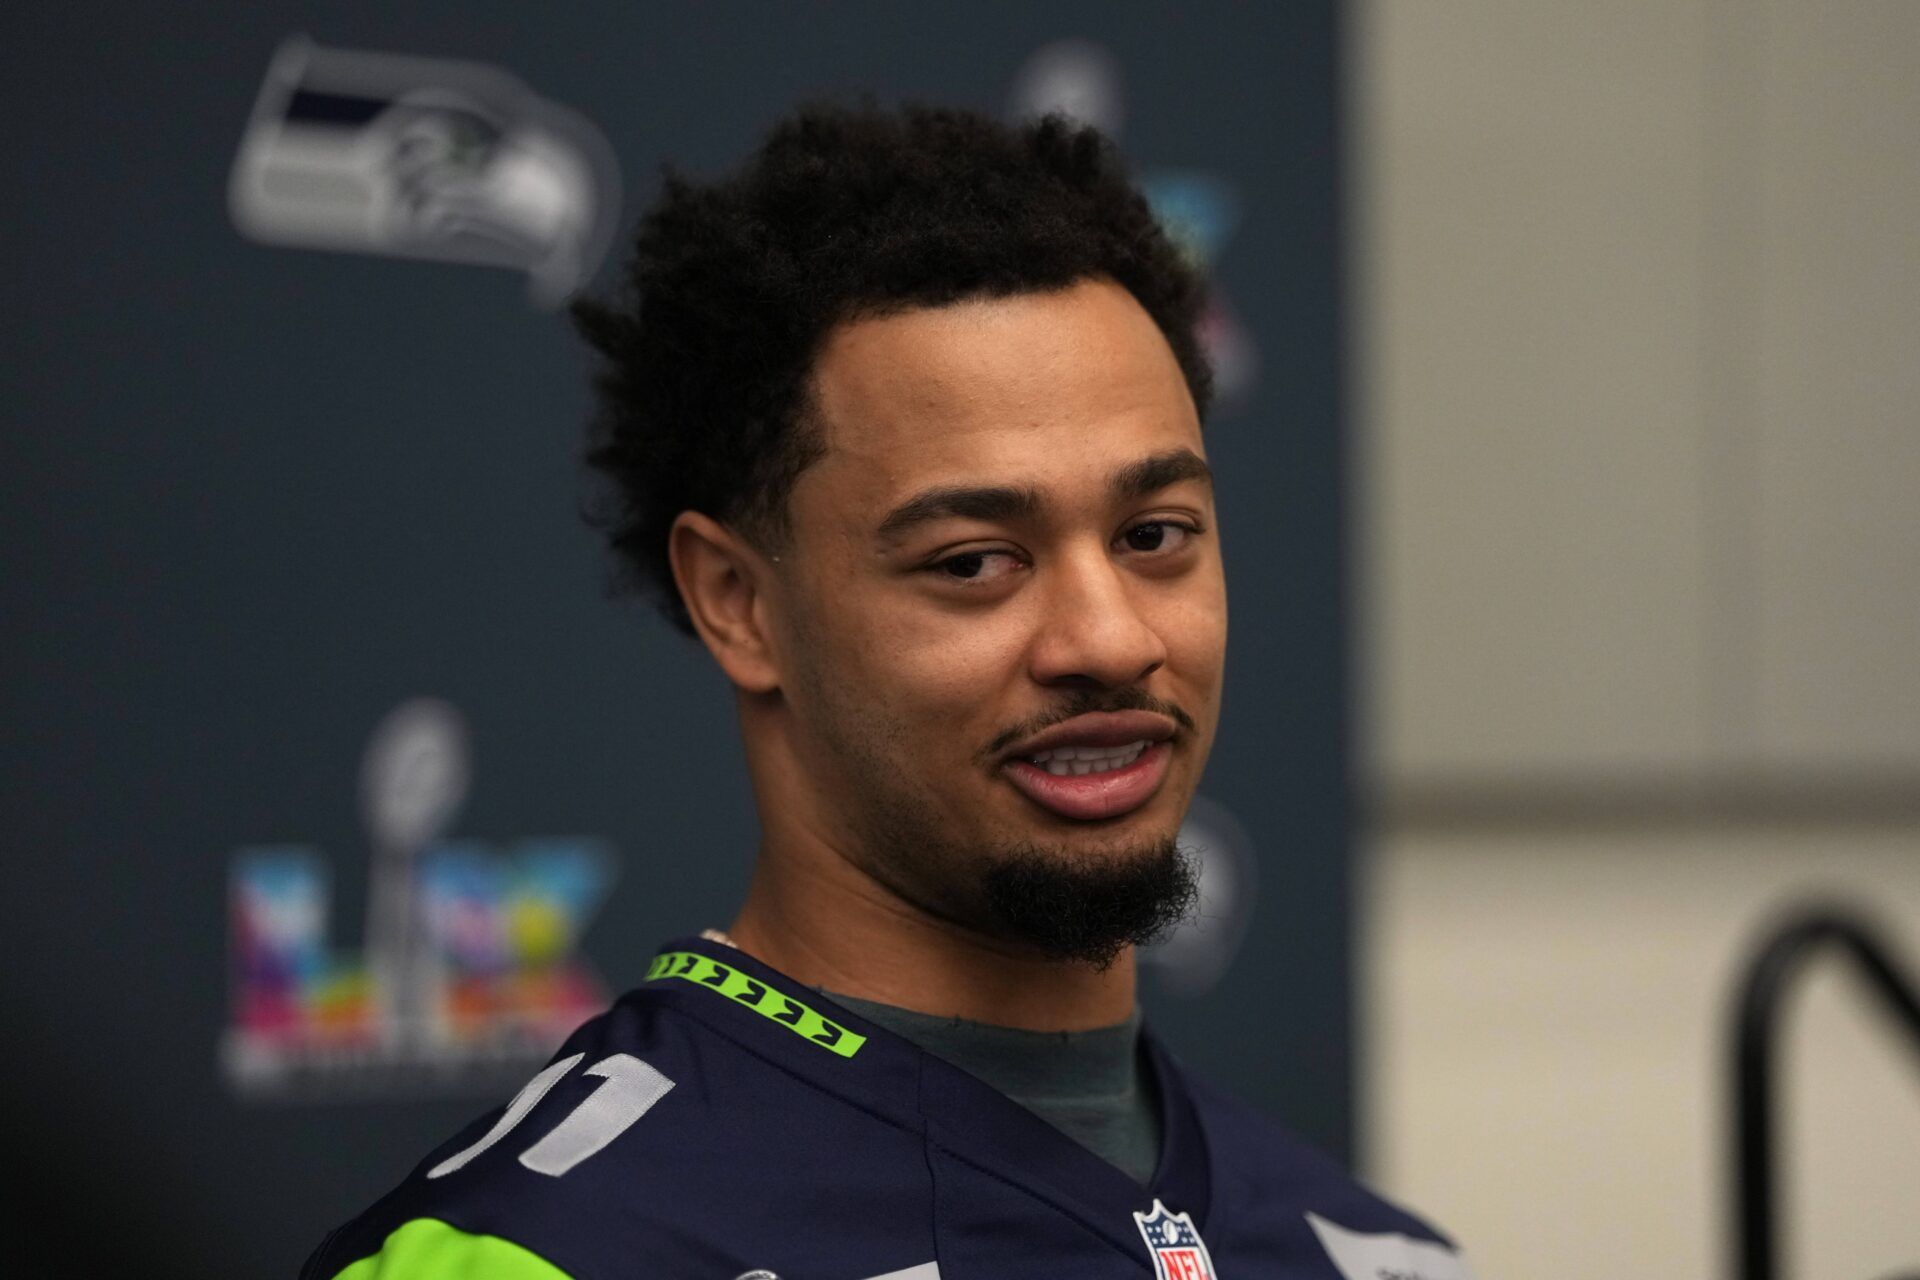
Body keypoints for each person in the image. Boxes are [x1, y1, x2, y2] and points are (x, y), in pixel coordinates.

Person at [302, 100, 1470, 1280]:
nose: (1110, 638)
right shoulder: (538, 1253)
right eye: (974, 561)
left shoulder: (1381, 1256)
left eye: (1156, 534)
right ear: (737, 602)